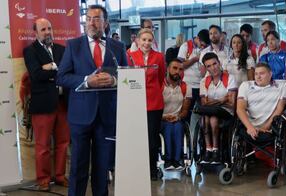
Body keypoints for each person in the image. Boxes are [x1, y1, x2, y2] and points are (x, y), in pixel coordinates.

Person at [57, 5, 127, 196]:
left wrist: (113, 79)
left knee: (101, 167)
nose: (91, 22)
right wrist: (86, 80)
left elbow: (128, 76)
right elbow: (61, 77)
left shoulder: (117, 47)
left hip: (106, 116)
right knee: (78, 166)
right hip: (80, 116)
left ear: (105, 23)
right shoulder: (74, 45)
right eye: (88, 18)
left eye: (96, 18)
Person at [23, 18, 69, 191]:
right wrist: (52, 71)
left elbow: (66, 72)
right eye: (43, 29)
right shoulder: (30, 51)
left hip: (63, 103)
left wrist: (50, 67)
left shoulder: (62, 49)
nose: (47, 32)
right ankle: (43, 179)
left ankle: (59, 176)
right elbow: (36, 75)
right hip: (42, 105)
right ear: (35, 33)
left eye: (49, 28)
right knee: (43, 145)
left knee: (63, 143)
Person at [127, 28, 166, 180]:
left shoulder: (159, 57)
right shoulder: (129, 56)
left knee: (152, 139)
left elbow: (162, 76)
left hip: (154, 103)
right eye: (144, 40)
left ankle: (152, 170)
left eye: (149, 40)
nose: (146, 43)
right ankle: (136, 169)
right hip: (134, 102)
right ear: (137, 41)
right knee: (136, 138)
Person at [236, 63, 286, 167]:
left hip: (271, 127)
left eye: (262, 73)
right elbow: (240, 109)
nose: (258, 77)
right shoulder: (246, 85)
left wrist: (266, 126)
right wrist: (250, 127)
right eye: (256, 74)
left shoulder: (282, 85)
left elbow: (279, 108)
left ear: (270, 74)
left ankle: (268, 155)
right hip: (249, 126)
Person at [199, 52, 237, 164]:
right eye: (208, 66)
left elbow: (231, 103)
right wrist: (222, 100)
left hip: (227, 112)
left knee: (210, 115)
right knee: (211, 118)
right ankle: (210, 149)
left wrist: (213, 102)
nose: (213, 68)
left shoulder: (230, 78)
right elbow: (204, 103)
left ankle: (214, 149)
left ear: (219, 63)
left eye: (214, 64)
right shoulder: (203, 81)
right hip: (211, 113)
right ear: (206, 68)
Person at [162, 59, 192, 170]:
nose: (177, 71)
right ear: (168, 69)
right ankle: (168, 160)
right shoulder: (160, 85)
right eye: (174, 68)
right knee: (169, 127)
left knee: (178, 127)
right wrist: (164, 117)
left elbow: (185, 110)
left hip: (178, 119)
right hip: (161, 119)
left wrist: (177, 117)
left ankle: (177, 160)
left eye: (180, 69)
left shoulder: (185, 87)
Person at [177, 29, 210, 123]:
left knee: (203, 113)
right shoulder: (186, 46)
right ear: (197, 38)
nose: (203, 47)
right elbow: (180, 65)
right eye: (202, 44)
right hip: (189, 85)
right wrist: (195, 59)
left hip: (202, 86)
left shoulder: (207, 49)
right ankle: (185, 134)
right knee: (186, 113)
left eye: (205, 46)